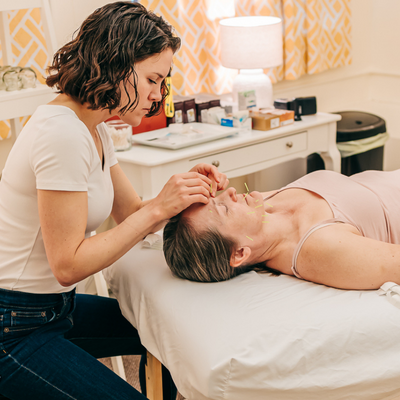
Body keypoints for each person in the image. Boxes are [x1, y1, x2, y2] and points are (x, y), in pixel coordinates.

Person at [0, 2, 228, 399]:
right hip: (13, 326)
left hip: (55, 309)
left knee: (170, 336)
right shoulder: (62, 134)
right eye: (153, 80)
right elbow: (69, 264)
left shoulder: (94, 128)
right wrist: (159, 207)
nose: (158, 95)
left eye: (163, 83)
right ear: (117, 64)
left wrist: (181, 193)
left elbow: (132, 213)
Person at [163, 169, 400, 290]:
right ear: (239, 253)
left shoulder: (260, 209)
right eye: (224, 208)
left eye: (217, 197)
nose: (231, 192)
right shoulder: (318, 246)